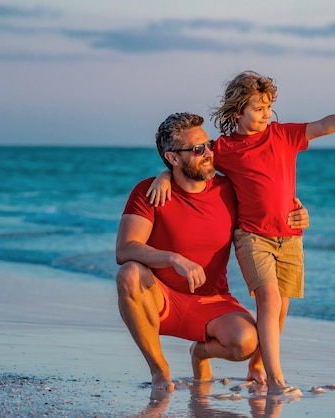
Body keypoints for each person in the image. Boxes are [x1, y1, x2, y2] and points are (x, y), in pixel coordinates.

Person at [148, 70, 335, 395]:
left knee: (280, 308)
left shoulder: (284, 135)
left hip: (291, 237)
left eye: (269, 107)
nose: (266, 114)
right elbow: (192, 160)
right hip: (252, 236)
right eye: (258, 107)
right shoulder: (223, 148)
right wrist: (163, 177)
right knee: (269, 297)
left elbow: (325, 124)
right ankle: (277, 380)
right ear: (238, 111)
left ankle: (257, 367)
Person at [115, 112, 309, 393]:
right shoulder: (149, 191)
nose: (208, 153)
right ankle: (160, 371)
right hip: (162, 301)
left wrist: (299, 214)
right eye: (197, 150)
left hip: (213, 303)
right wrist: (173, 258)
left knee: (246, 341)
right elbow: (125, 249)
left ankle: (200, 352)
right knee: (129, 273)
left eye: (208, 145)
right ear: (172, 158)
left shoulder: (229, 190)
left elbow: (269, 207)